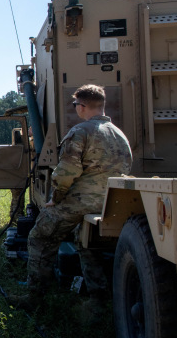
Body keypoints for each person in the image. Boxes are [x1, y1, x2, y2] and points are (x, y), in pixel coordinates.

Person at [8, 84, 132, 318]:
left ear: (83, 106)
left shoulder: (81, 132)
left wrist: (56, 199)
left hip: (81, 201)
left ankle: (35, 298)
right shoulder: (119, 134)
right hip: (112, 202)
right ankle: (98, 299)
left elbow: (66, 173)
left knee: (39, 236)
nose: (75, 109)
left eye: (76, 105)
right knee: (85, 242)